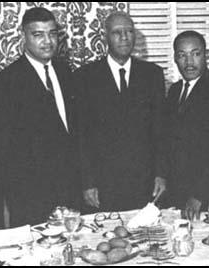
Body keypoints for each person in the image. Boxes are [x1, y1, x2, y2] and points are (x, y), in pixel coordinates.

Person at [0, 7, 80, 227]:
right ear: (23, 36)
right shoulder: (4, 84)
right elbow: (1, 152)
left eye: (52, 33)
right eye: (38, 35)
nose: (47, 41)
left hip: (72, 192)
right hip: (32, 199)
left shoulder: (67, 72)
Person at [75, 11, 166, 212]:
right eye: (117, 32)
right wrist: (88, 182)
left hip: (145, 182)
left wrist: (161, 174)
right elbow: (82, 135)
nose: (125, 37)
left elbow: (160, 130)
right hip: (103, 184)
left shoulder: (152, 74)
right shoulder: (85, 77)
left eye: (129, 31)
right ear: (105, 36)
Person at [164, 31, 209, 220]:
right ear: (175, 58)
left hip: (206, 196)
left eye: (195, 54)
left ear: (205, 56)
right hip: (176, 192)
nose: (189, 62)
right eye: (182, 55)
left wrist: (199, 196)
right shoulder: (174, 91)